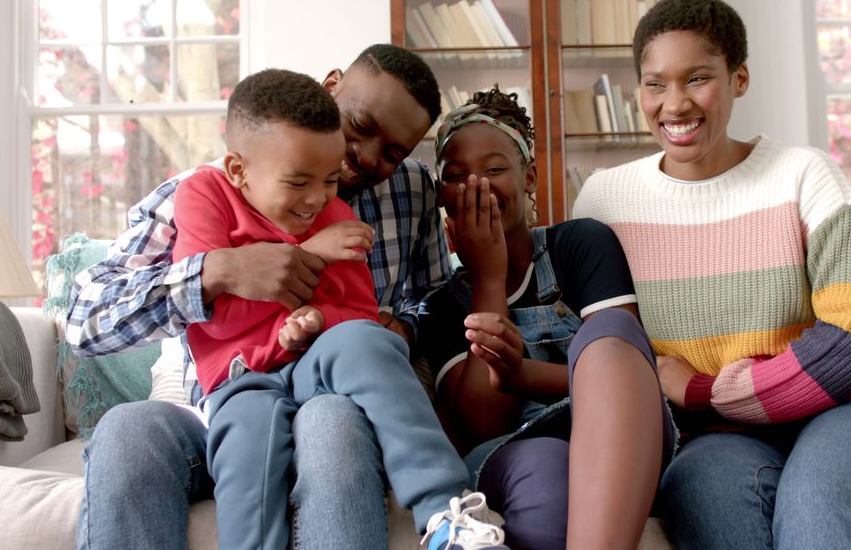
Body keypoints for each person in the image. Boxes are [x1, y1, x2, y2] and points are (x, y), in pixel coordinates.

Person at [572, 0, 851, 549]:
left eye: (697, 79)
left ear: (738, 79)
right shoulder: (604, 201)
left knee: (820, 512)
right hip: (716, 439)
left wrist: (701, 389)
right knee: (711, 506)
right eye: (654, 83)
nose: (674, 104)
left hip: (849, 413)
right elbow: (590, 348)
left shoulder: (801, 174)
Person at [68, 45, 456, 550]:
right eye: (359, 126)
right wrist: (214, 272)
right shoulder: (200, 194)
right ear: (332, 84)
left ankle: (447, 516)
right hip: (221, 408)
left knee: (331, 421)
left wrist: (399, 328)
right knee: (125, 430)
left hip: (337, 400)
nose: (363, 155)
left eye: (393, 151)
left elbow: (436, 296)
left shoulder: (412, 191)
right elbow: (85, 320)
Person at [167, 68, 505, 550]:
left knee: (369, 344)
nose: (318, 198)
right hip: (241, 377)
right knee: (247, 453)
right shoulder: (204, 195)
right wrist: (309, 256)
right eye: (299, 182)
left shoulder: (335, 212)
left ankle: (447, 516)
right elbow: (212, 316)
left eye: (327, 181)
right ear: (239, 170)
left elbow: (361, 313)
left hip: (312, 362)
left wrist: (320, 319)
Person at [417, 86, 676, 549]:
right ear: (441, 195)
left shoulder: (580, 246)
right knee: (545, 462)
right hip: (515, 449)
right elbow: (484, 424)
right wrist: (488, 280)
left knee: (612, 331)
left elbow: (628, 376)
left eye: (495, 169)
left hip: (622, 434)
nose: (477, 185)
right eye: (457, 176)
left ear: (529, 176)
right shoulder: (440, 306)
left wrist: (521, 374)